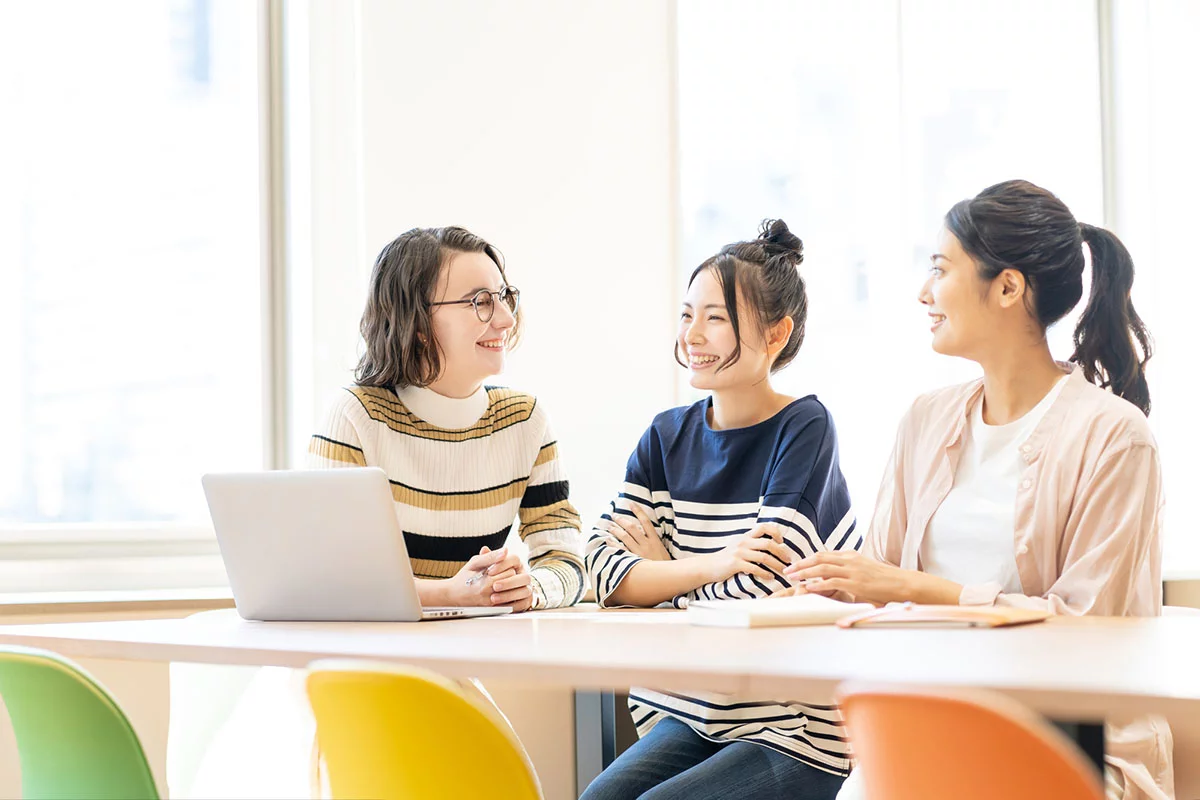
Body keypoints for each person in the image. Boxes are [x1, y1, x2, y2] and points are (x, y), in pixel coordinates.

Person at [784, 180, 1172, 800]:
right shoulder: (926, 419)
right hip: (929, 725)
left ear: (1008, 287)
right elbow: (877, 585)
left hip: (1064, 743)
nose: (922, 293)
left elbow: (1089, 636)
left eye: (940, 269)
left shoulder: (1116, 438)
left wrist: (914, 589)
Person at [581, 220, 857, 800]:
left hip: (793, 728)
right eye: (687, 314)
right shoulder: (665, 436)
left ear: (776, 334)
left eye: (716, 317)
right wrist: (712, 566)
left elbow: (756, 602)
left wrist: (659, 577)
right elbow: (601, 568)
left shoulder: (804, 428)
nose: (692, 335)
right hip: (691, 710)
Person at [309, 225, 586, 611]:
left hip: (472, 657)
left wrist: (530, 589)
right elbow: (330, 578)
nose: (505, 319)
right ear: (419, 324)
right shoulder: (356, 417)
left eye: (504, 297)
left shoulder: (525, 421)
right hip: (370, 659)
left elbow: (568, 560)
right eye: (481, 302)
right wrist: (450, 596)